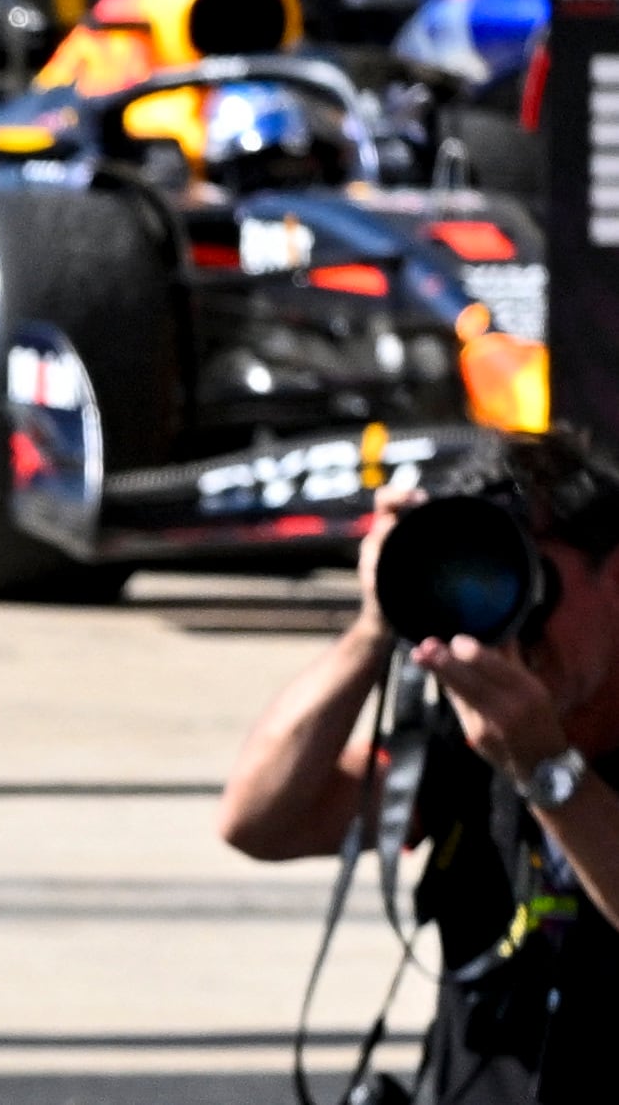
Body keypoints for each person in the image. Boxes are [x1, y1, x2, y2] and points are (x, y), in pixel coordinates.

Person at [219, 430, 619, 1097]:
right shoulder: (466, 726)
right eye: (481, 583)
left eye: (531, 581)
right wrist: (376, 624)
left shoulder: (510, 732)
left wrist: (545, 770)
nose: (514, 624)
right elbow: (259, 822)